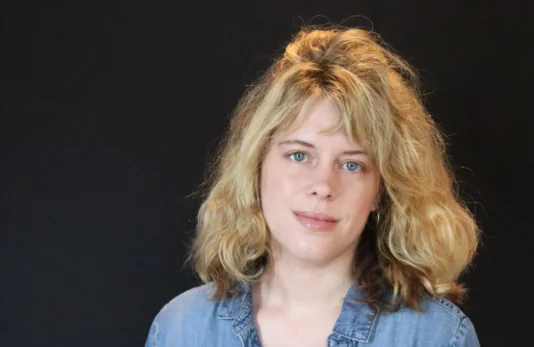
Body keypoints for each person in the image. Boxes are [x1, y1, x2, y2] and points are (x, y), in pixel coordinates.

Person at [145, 26, 481, 347]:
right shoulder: (180, 328)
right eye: (299, 155)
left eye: (353, 165)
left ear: (381, 190)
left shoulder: (436, 336)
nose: (323, 186)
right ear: (256, 166)